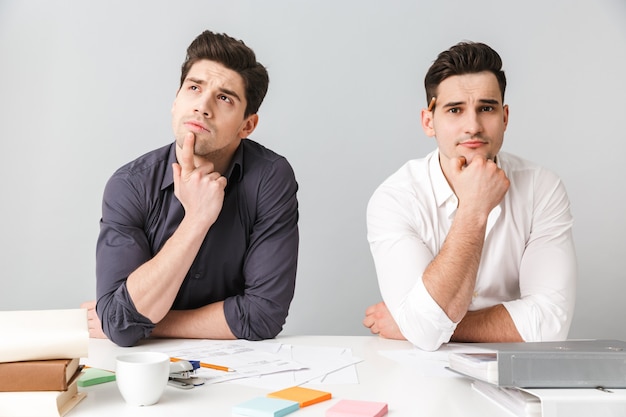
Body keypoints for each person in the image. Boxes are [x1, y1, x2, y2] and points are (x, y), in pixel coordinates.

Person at [81, 30, 299, 347]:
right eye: (194, 88)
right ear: (175, 101)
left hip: (240, 368)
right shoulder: (130, 185)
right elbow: (118, 322)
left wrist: (143, 323)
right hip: (145, 369)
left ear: (246, 125)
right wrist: (197, 218)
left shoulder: (269, 178)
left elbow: (262, 315)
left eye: (224, 98)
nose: (202, 106)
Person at [362, 42, 577, 351]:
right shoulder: (395, 199)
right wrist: (474, 209)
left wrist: (415, 324)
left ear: (504, 117)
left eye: (486, 108)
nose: (473, 126)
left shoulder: (542, 188)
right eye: (454, 110)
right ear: (428, 121)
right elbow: (423, 330)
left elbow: (550, 323)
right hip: (422, 375)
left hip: (515, 371)